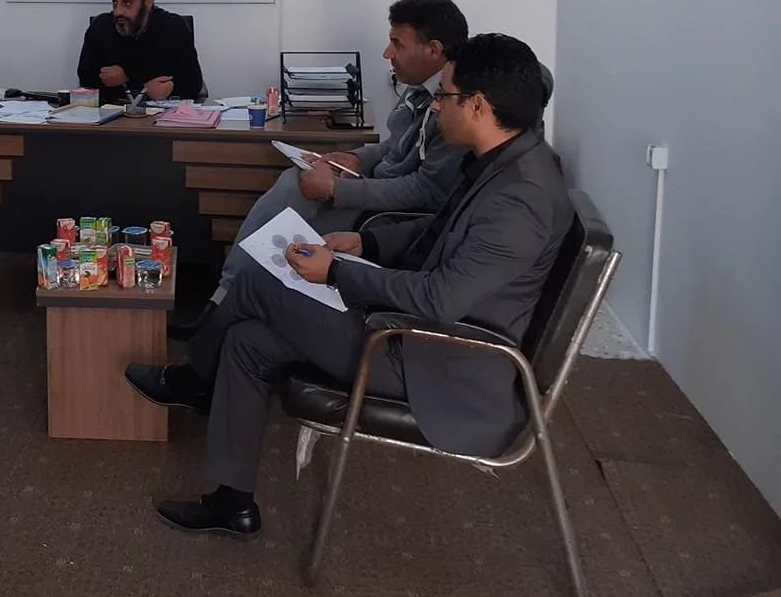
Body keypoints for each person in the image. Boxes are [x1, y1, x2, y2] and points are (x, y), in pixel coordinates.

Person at [125, 34, 571, 538]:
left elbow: (439, 299)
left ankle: (193, 380)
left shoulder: (520, 199)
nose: (435, 107)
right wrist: (366, 242)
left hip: (436, 361)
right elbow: (438, 232)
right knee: (250, 341)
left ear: (478, 105)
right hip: (415, 336)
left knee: (256, 282)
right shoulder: (501, 161)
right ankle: (232, 502)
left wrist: (337, 273)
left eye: (444, 95)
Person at [169, 0, 470, 341]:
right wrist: (355, 158)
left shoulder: (454, 106)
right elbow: (393, 146)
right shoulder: (419, 90)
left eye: (397, 44)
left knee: (288, 216)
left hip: (389, 218)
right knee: (294, 181)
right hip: (375, 189)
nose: (387, 54)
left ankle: (228, 309)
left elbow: (426, 190)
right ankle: (224, 302)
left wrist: (337, 190)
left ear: (433, 50)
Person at [76, 0, 205, 104]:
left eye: (127, 3)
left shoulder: (173, 27)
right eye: (115, 3)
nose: (118, 11)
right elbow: (87, 81)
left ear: (148, 1)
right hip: (113, 110)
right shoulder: (101, 27)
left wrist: (129, 78)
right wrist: (143, 88)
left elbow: (193, 83)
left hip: (163, 112)